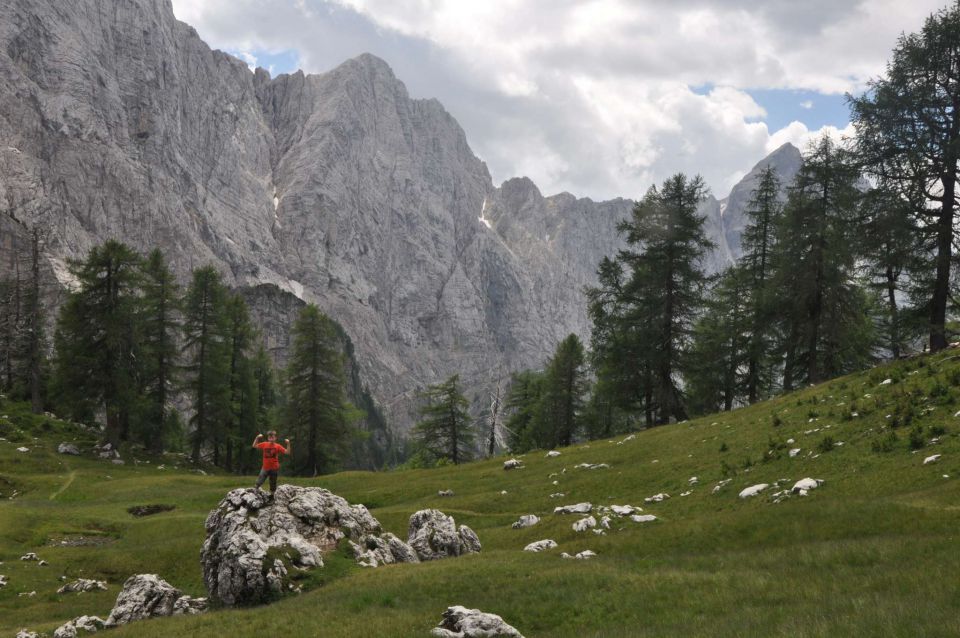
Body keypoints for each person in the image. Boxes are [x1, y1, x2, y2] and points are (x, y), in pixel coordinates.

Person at [252, 430, 290, 495]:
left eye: (272, 437)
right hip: (265, 467)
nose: (271, 438)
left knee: (273, 483)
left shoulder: (278, 446)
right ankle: (254, 491)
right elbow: (254, 446)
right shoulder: (264, 444)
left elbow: (287, 452)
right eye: (269, 437)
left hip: (274, 468)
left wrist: (288, 443)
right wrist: (257, 438)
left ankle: (272, 496)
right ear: (268, 438)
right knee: (260, 480)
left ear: (275, 438)